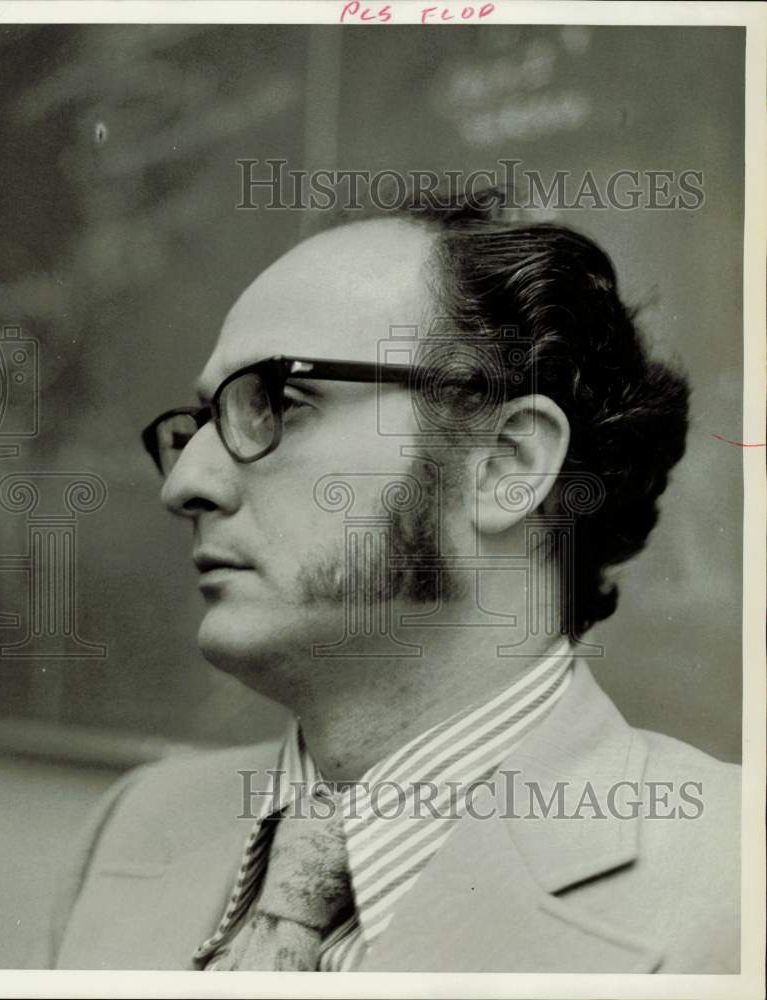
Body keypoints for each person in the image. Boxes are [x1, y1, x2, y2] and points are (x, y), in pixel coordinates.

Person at [39, 188, 740, 973]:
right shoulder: (132, 826)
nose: (186, 485)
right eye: (198, 423)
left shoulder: (735, 884)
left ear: (506, 464)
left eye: (276, 402)